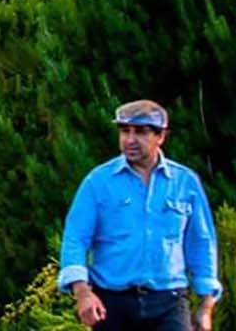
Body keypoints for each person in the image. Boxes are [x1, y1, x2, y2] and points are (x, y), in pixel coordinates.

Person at [57, 100, 221, 331]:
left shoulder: (185, 182)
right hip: (112, 301)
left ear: (160, 136)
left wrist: (206, 305)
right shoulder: (98, 182)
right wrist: (83, 293)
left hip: (169, 300)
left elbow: (202, 243)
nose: (130, 140)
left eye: (141, 132)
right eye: (125, 131)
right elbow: (75, 238)